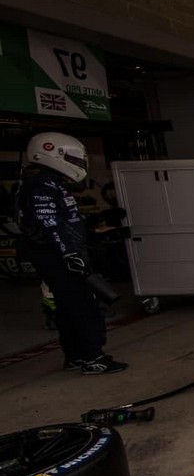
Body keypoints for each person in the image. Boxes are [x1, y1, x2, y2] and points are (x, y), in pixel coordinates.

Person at [17, 132, 127, 374]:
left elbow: (64, 222)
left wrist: (95, 226)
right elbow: (50, 225)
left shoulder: (50, 184)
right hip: (59, 257)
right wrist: (70, 255)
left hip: (60, 255)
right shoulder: (41, 186)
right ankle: (93, 357)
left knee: (68, 307)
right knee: (84, 305)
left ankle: (76, 356)